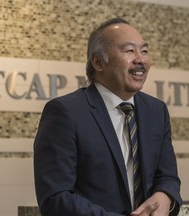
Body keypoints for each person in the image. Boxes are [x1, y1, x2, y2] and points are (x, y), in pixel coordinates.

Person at [33, 17, 182, 216]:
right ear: (97, 62)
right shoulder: (65, 112)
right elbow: (55, 199)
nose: (141, 59)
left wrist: (165, 196)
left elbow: (168, 176)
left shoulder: (156, 111)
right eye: (129, 51)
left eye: (144, 51)